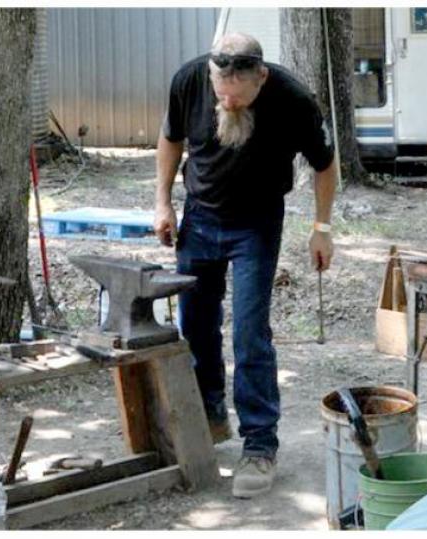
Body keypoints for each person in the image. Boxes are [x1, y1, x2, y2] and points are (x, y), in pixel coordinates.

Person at [153, 33, 337, 499]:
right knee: (196, 323)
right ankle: (209, 415)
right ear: (211, 76)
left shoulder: (293, 99)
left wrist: (322, 227)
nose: (229, 102)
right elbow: (170, 140)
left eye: (239, 95)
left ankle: (259, 444)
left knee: (250, 332)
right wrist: (162, 202)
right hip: (199, 216)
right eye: (222, 93)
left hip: (256, 223)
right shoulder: (189, 80)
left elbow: (325, 164)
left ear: (261, 78)